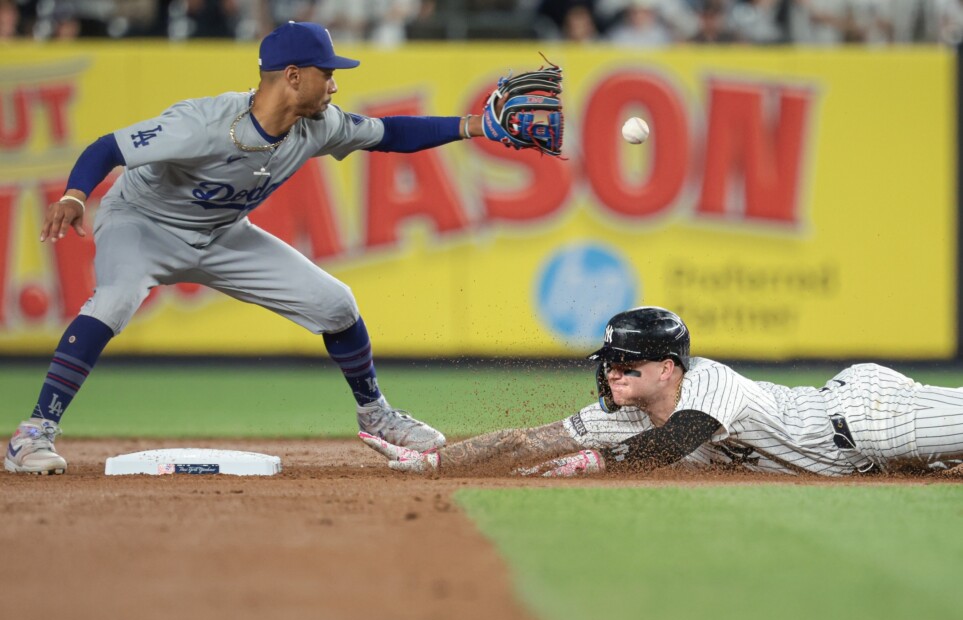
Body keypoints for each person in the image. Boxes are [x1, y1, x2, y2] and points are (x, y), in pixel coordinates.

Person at [5, 21, 496, 475]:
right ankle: (33, 433)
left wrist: (474, 125)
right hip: (142, 224)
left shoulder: (319, 125)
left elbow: (393, 133)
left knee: (336, 304)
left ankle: (376, 414)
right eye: (327, 74)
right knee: (114, 300)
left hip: (221, 233)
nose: (335, 85)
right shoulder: (202, 121)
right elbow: (107, 148)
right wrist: (75, 194)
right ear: (292, 76)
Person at [362, 306, 963, 477]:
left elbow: (678, 442)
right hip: (859, 463)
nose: (613, 374)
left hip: (864, 418)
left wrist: (591, 463)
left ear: (669, 367)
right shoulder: (625, 413)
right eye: (609, 362)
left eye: (627, 363)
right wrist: (436, 462)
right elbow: (527, 441)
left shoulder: (709, 381)